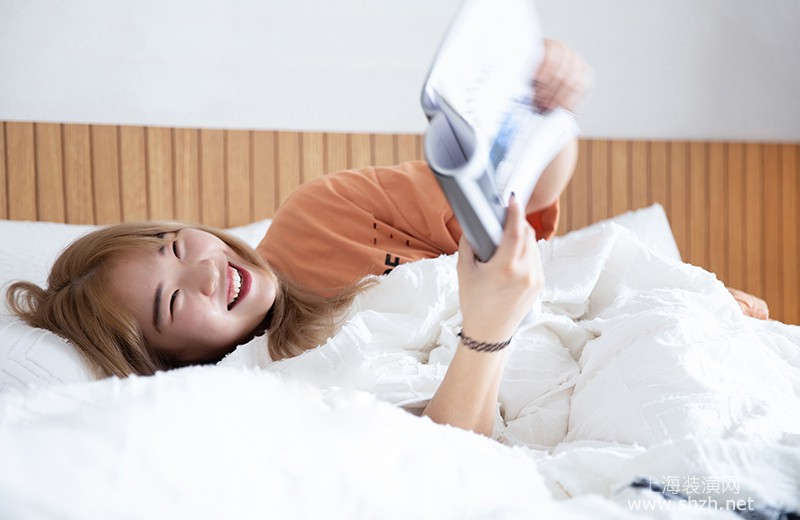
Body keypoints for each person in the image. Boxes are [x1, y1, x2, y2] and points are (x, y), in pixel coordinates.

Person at [4, 40, 766, 437]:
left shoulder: (322, 216)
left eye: (178, 246)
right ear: (169, 363)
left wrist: (545, 112)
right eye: (174, 304)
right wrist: (488, 329)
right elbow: (442, 455)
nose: (205, 271)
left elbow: (524, 197)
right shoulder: (265, 390)